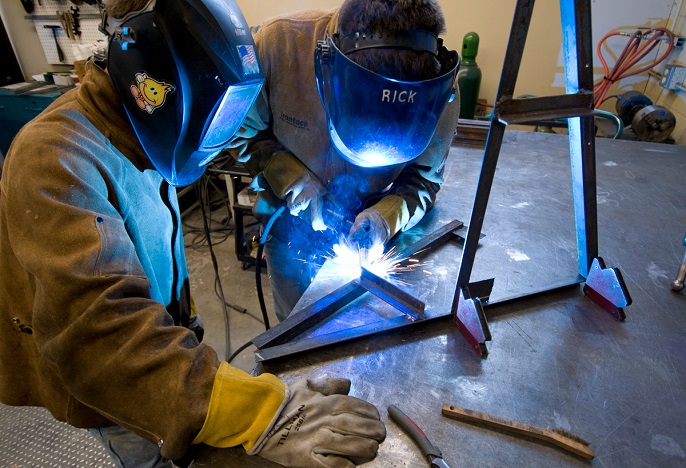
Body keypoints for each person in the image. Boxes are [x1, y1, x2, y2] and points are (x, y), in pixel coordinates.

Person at [0, 0, 385, 467]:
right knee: (150, 454)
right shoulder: (53, 158)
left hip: (163, 341)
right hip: (116, 383)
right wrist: (263, 412)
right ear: (152, 81)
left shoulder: (138, 128)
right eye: (216, 115)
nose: (220, 137)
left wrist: (235, 395)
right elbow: (101, 338)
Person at [227, 0, 461, 321]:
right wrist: (291, 179)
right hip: (289, 225)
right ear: (330, 73)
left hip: (372, 237)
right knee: (295, 337)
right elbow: (243, 134)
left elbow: (424, 178)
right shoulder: (278, 47)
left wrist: (386, 217)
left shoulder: (438, 92)